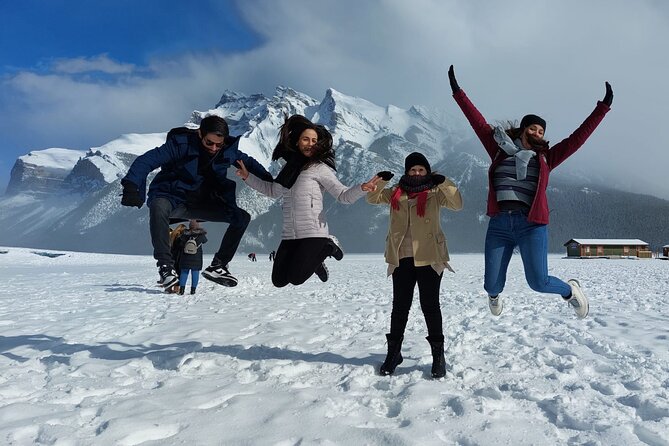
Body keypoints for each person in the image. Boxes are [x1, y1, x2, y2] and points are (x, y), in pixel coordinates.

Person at [448, 65, 613, 319]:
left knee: (538, 282)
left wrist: (601, 109)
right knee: (491, 285)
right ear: (523, 130)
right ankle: (494, 297)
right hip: (500, 223)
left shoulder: (546, 158)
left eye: (542, 131)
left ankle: (570, 291)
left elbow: (577, 139)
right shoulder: (498, 149)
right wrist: (458, 92)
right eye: (533, 129)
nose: (538, 133)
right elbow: (477, 122)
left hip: (531, 225)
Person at [120, 115, 272, 289]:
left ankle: (218, 265)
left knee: (242, 217)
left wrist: (269, 179)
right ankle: (165, 268)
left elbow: (249, 163)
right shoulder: (180, 145)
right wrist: (132, 185)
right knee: (158, 205)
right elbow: (146, 160)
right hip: (175, 199)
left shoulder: (228, 150)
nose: (214, 148)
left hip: (204, 203)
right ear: (200, 134)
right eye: (209, 143)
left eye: (218, 144)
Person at [235, 114, 380, 286]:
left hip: (314, 233)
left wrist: (361, 188)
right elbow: (272, 191)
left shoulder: (319, 168)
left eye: (314, 140)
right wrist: (247, 177)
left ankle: (328, 246)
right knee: (279, 281)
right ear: (297, 141)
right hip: (290, 234)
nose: (310, 144)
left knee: (296, 278)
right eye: (306, 139)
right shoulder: (288, 169)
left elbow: (343, 196)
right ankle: (315, 261)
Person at [367, 152, 463, 378]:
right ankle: (394, 353)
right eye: (412, 170)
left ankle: (438, 357)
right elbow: (372, 199)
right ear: (407, 172)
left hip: (430, 256)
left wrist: (445, 183)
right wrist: (381, 181)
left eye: (421, 170)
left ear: (427, 172)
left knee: (430, 306)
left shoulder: (435, 193)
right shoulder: (395, 193)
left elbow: (457, 204)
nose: (417, 173)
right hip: (401, 256)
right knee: (399, 306)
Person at [175, 220, 207, 295]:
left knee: (184, 273)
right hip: (197, 258)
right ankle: (193, 290)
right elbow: (205, 241)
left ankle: (182, 290)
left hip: (185, 257)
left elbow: (179, 244)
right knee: (195, 274)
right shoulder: (201, 235)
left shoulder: (185, 234)